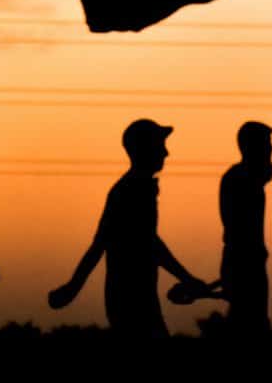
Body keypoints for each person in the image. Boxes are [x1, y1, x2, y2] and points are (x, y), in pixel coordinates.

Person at [48, 119, 212, 337]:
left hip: (129, 298)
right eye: (160, 146)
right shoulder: (133, 190)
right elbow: (148, 243)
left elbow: (102, 243)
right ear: (145, 149)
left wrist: (72, 287)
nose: (166, 153)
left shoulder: (128, 188)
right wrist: (187, 278)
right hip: (133, 299)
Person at [219, 121, 272, 335]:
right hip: (244, 264)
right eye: (267, 144)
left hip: (247, 263)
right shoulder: (242, 179)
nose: (271, 149)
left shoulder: (242, 178)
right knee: (249, 325)